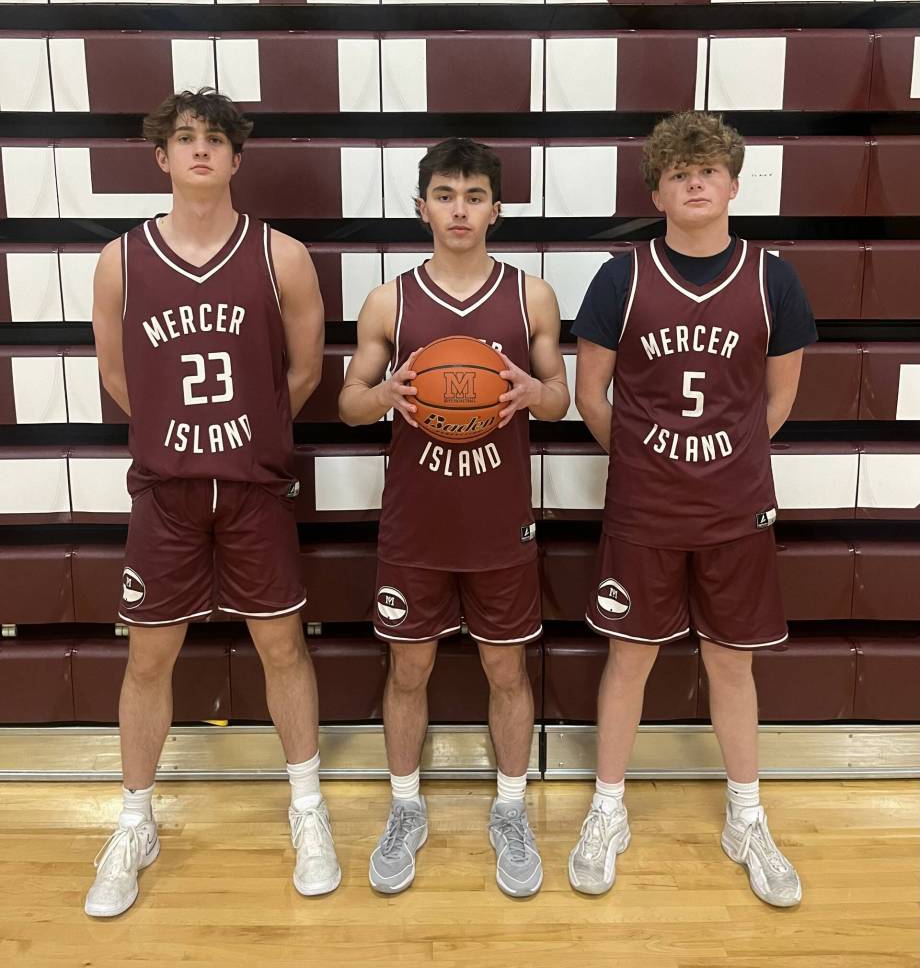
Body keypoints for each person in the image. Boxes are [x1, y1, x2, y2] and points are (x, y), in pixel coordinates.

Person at [86, 87, 338, 917]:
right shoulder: (121, 258)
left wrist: (246, 433)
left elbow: (302, 374)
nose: (200, 151)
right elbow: (118, 378)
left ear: (236, 158)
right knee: (148, 658)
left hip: (255, 488)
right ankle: (133, 822)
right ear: (161, 158)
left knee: (281, 647)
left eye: (215, 139)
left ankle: (307, 808)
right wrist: (181, 437)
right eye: (184, 139)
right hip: (166, 492)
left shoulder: (281, 255)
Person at [569, 111, 817, 906]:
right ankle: (608, 808)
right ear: (659, 191)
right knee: (630, 657)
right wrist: (649, 459)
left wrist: (720, 459)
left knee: (730, 662)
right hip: (645, 507)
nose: (695, 183)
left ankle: (746, 817)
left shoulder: (774, 277)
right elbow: (588, 393)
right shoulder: (623, 277)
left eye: (708, 170)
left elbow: (778, 401)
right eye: (679, 174)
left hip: (734, 507)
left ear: (735, 184)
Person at [339, 138, 569, 897]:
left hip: (499, 524)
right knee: (409, 666)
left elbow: (561, 395)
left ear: (496, 210)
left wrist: (535, 394)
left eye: (474, 196)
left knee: (506, 667)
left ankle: (509, 809)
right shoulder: (390, 300)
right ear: (421, 207)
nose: (459, 208)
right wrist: (388, 396)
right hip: (417, 525)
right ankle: (406, 808)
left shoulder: (530, 294)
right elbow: (347, 402)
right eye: (445, 194)